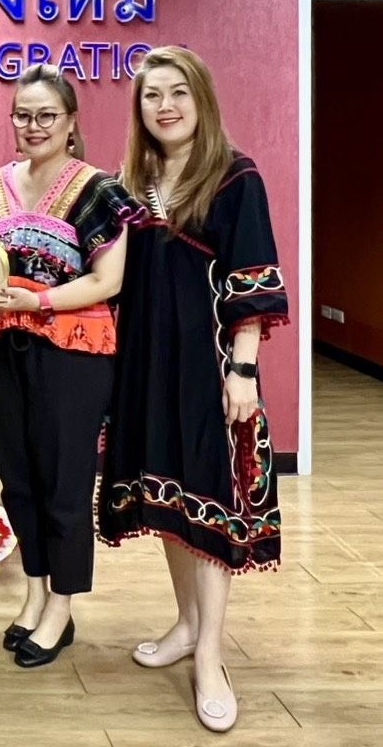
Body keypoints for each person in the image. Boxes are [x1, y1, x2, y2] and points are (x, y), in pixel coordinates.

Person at [98, 46, 288, 732]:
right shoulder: (131, 183)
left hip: (210, 369)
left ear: (201, 98)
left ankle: (210, 655)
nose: (166, 106)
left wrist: (243, 371)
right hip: (146, 368)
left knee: (210, 502)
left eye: (178, 92)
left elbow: (250, 280)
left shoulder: (235, 177)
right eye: (152, 95)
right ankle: (184, 625)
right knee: (168, 501)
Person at [0, 64, 140, 668]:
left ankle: (62, 608)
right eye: (23, 115)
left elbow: (107, 280)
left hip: (73, 354)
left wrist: (36, 301)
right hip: (6, 349)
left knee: (64, 484)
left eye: (47, 115)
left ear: (71, 122)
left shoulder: (99, 190)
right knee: (18, 479)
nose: (34, 126)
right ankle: (33, 593)